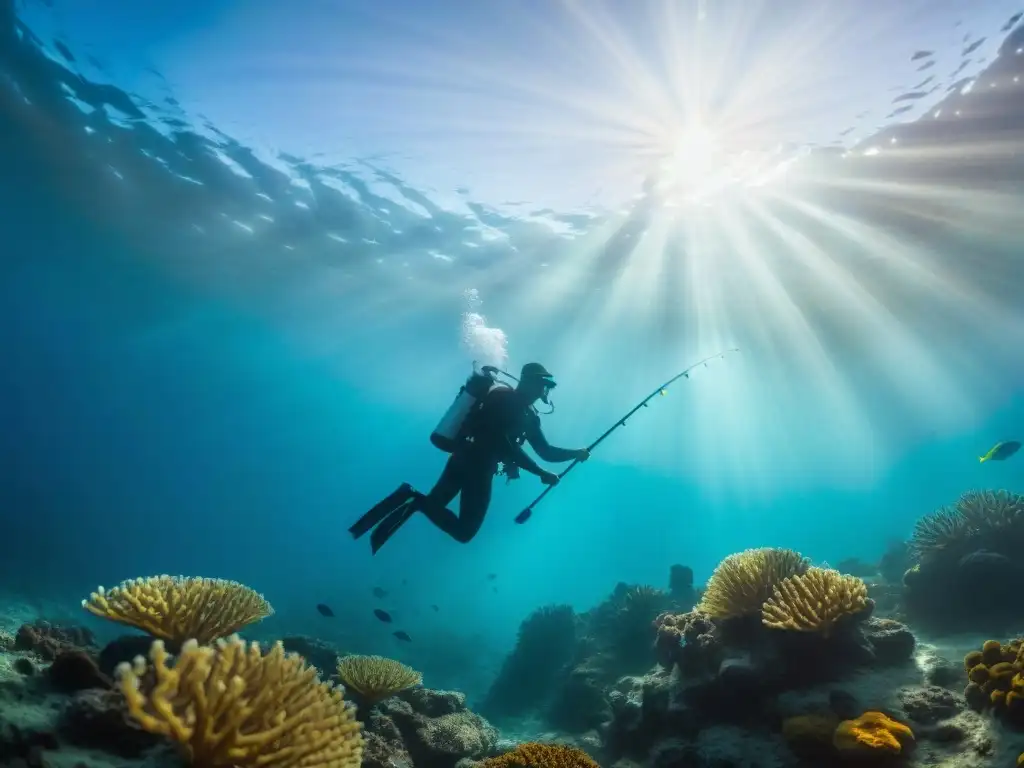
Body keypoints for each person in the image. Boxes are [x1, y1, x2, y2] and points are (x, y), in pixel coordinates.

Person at [349, 362, 589, 554]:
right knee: (464, 532)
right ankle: (414, 498)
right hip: (476, 468)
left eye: (546, 386)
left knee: (437, 508)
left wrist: (575, 454)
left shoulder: (529, 415)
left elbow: (545, 451)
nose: (543, 391)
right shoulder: (505, 400)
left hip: (463, 460)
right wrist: (541, 473)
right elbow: (501, 443)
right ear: (527, 381)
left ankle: (414, 498)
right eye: (542, 383)